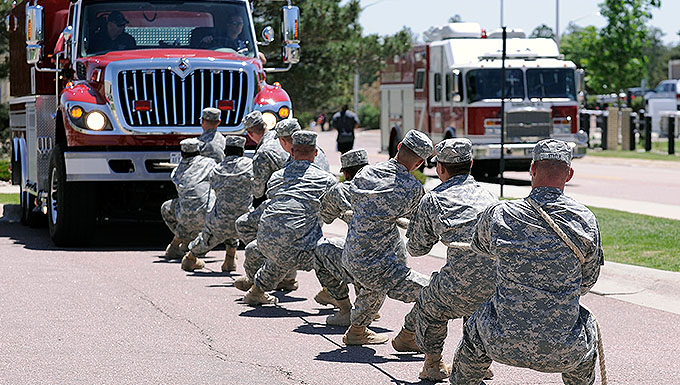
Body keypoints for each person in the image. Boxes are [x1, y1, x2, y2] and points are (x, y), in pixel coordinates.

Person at [451, 139, 604, 385]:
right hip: (563, 349)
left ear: (532, 168)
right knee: (587, 332)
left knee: (474, 323)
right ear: (569, 173)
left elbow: (479, 247)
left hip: (500, 340)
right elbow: (587, 281)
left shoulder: (500, 214)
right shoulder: (585, 220)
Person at [386, 138, 498, 381]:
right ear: (471, 163)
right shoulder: (491, 197)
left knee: (429, 303)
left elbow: (416, 249)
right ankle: (479, 363)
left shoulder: (433, 199)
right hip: (496, 286)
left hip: (458, 287)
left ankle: (433, 363)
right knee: (478, 303)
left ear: (440, 168)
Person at [340, 130, 433, 345]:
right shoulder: (412, 189)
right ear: (419, 164)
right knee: (433, 292)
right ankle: (409, 337)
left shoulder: (364, 173)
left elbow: (361, 204)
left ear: (399, 146)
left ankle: (357, 331)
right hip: (379, 266)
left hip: (351, 256)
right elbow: (420, 227)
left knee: (373, 288)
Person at [240, 131, 339, 306]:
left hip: (266, 247)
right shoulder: (327, 180)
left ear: (292, 152)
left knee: (280, 246)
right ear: (315, 153)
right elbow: (329, 216)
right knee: (334, 251)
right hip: (302, 251)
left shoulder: (276, 177)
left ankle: (257, 290)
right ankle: (339, 299)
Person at [181, 135, 253, 273]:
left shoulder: (216, 169)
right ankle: (230, 258)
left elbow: (212, 189)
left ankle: (190, 258)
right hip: (244, 222)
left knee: (207, 236)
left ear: (225, 151)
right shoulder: (250, 166)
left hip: (219, 223)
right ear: (242, 151)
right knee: (246, 224)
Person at [313, 149, 370, 315]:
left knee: (321, 250)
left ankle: (346, 310)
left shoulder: (341, 190)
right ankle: (367, 305)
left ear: (345, 174)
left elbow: (326, 217)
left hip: (365, 263)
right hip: (394, 260)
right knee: (357, 243)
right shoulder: (384, 186)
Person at [161, 138, 216, 262]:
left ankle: (183, 241)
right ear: (198, 150)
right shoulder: (210, 163)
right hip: (208, 215)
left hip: (185, 217)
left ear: (182, 154)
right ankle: (197, 244)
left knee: (166, 207)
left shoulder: (177, 171)